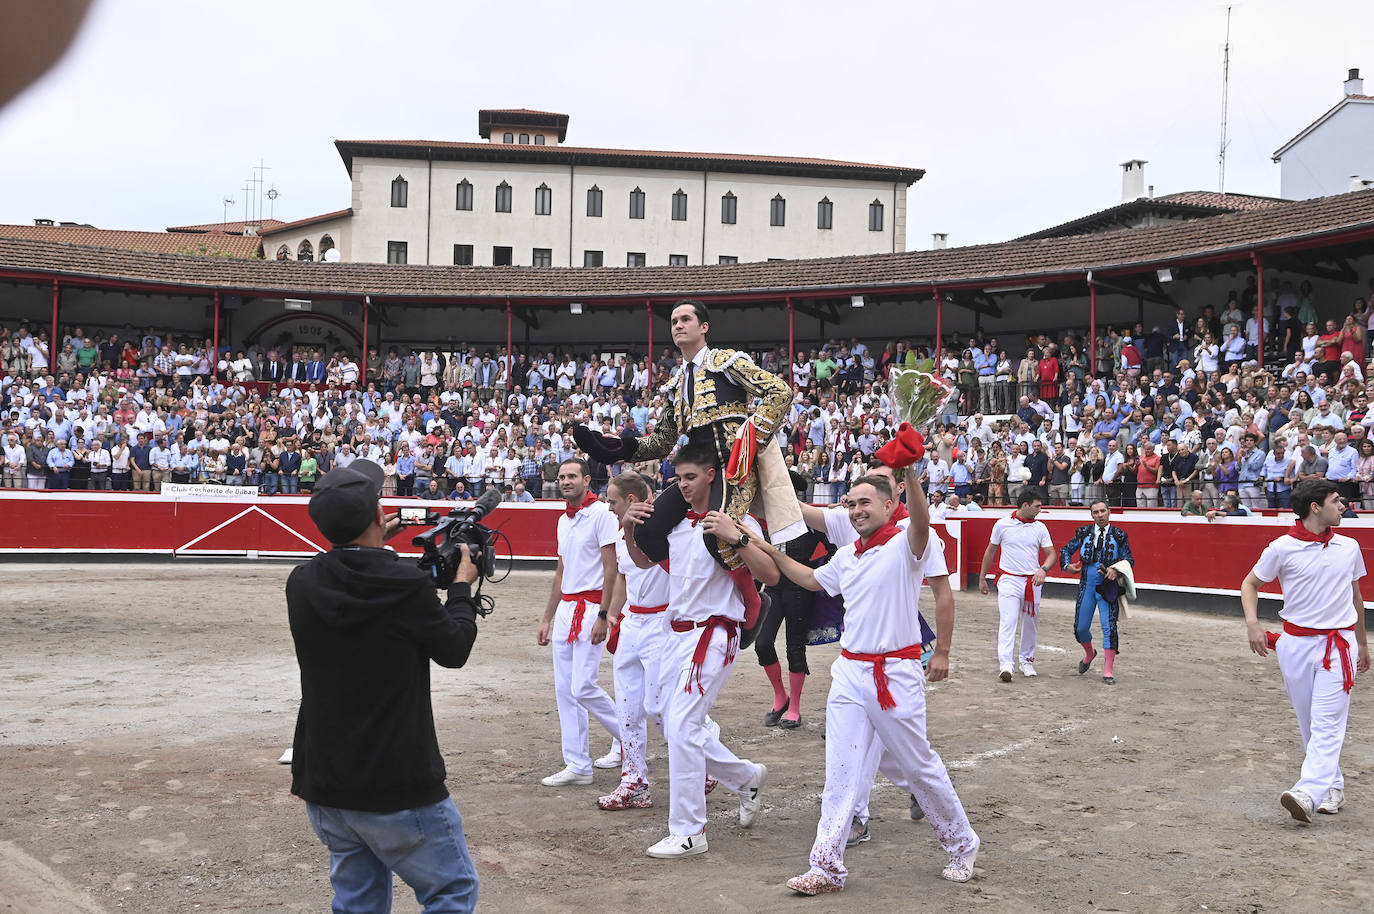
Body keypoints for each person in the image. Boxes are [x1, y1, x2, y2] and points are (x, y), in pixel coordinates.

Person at [764, 455, 979, 893]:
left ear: (887, 505)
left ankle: (962, 842)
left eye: (866, 503)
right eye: (852, 504)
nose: (857, 510)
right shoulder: (847, 556)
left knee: (919, 766)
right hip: (850, 672)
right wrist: (767, 548)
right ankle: (826, 867)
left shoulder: (907, 542)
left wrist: (911, 474)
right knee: (840, 770)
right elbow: (809, 579)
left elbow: (920, 522)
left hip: (896, 674)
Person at [287, 458, 482, 913]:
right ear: (378, 516)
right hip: (394, 777)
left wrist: (373, 547)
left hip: (326, 777)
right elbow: (453, 649)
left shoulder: (302, 581)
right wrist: (460, 591)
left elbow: (355, 577)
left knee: (358, 902)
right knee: (451, 892)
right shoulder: (403, 585)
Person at [576, 300, 802, 649]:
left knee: (718, 535)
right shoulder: (677, 381)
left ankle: (754, 601)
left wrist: (752, 433)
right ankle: (692, 587)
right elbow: (663, 441)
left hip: (733, 470)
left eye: (686, 319)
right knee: (649, 532)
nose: (678, 325)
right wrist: (618, 449)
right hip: (694, 471)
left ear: (704, 327)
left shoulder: (728, 362)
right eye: (674, 321)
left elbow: (780, 392)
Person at [620, 442, 776, 858]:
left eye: (690, 477)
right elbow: (643, 563)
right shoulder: (675, 525)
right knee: (666, 720)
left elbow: (771, 574)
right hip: (675, 634)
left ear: (712, 475)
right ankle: (744, 777)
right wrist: (631, 529)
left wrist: (738, 537)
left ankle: (689, 831)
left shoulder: (735, 520)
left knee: (684, 726)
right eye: (678, 477)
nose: (682, 485)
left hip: (714, 632)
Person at [1242, 479, 1370, 822]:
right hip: (1295, 646)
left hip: (1337, 645)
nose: (1342, 506)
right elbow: (1250, 584)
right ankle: (1333, 787)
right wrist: (1253, 623)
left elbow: (1355, 597)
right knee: (1310, 722)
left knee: (1327, 721)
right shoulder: (1281, 547)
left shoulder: (1349, 546)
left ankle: (1308, 791)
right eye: (1335, 501)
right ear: (1316, 507)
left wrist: (1361, 642)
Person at [537, 457, 622, 786]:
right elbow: (560, 572)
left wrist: (604, 614)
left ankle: (630, 738)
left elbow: (611, 567)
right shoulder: (563, 520)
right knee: (564, 690)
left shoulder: (601, 514)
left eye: (572, 476)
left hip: (590, 608)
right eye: (562, 476)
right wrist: (547, 617)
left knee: (583, 686)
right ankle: (578, 764)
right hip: (567, 610)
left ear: (587, 480)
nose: (566, 481)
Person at [596, 471, 672, 811]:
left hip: (663, 623)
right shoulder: (620, 530)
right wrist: (614, 616)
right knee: (627, 708)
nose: (608, 506)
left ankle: (705, 757)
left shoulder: (664, 525)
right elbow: (624, 578)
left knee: (660, 707)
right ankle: (634, 781)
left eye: (612, 500)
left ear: (630, 500)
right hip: (633, 621)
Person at [756, 470, 832, 730]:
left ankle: (795, 707)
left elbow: (833, 547)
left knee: (794, 647)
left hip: (801, 588)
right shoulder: (766, 519)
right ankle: (780, 696)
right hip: (774, 588)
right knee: (763, 644)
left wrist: (823, 576)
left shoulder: (808, 519)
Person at [979, 489, 1055, 682]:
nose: (1040, 509)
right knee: (1009, 620)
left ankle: (1026, 660)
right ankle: (1006, 665)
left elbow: (1052, 554)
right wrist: (982, 577)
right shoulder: (1002, 525)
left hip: (1032, 581)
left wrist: (1043, 569)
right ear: (1025, 505)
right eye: (1037, 506)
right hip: (1009, 579)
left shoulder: (1040, 527)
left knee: (1031, 622)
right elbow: (990, 551)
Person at [1059, 500, 1134, 684]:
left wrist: (1115, 570)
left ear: (1109, 512)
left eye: (1102, 511)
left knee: (1109, 627)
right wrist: (1067, 565)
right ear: (1091, 515)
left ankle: (1108, 671)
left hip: (1108, 587)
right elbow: (1066, 549)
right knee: (1080, 628)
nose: (1100, 515)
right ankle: (1089, 653)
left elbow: (1128, 559)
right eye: (1095, 512)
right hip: (1087, 585)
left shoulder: (1119, 535)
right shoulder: (1083, 532)